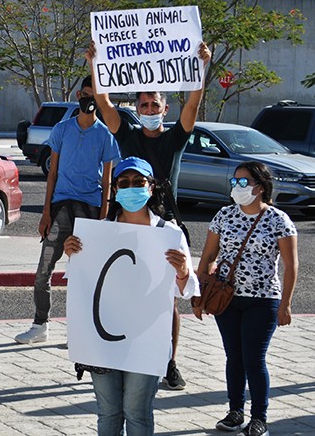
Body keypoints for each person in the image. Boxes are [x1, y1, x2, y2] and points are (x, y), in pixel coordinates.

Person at [86, 40, 213, 390]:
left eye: (154, 103)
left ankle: (168, 360)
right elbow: (103, 103)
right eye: (143, 103)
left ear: (164, 106)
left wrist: (201, 68)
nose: (149, 107)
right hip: (126, 221)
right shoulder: (126, 135)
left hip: (161, 223)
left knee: (165, 299)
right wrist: (97, 66)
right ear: (137, 108)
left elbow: (194, 102)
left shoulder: (175, 139)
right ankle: (115, 351)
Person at [64, 156, 197, 435]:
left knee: (137, 412)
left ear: (151, 188)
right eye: (123, 182)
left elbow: (184, 291)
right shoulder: (98, 233)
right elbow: (81, 282)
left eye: (139, 182)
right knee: (108, 412)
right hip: (102, 340)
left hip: (145, 340)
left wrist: (184, 271)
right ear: (114, 190)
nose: (131, 188)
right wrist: (72, 254)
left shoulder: (169, 233)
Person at [14, 75, 120, 345]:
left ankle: (83, 330)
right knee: (43, 270)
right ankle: (40, 324)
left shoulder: (105, 135)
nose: (89, 100)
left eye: (95, 96)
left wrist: (105, 216)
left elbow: (107, 179)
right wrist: (46, 212)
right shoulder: (62, 129)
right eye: (86, 94)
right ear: (78, 96)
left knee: (85, 273)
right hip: (60, 206)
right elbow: (52, 174)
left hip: (90, 210)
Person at [195, 161, 297, 436]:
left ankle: (259, 418)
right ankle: (235, 411)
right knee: (234, 357)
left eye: (243, 182)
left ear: (259, 187)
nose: (236, 187)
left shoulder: (278, 220)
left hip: (263, 299)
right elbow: (207, 256)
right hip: (226, 298)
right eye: (234, 182)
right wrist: (198, 295)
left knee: (254, 358)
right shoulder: (224, 215)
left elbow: (290, 264)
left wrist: (286, 304)